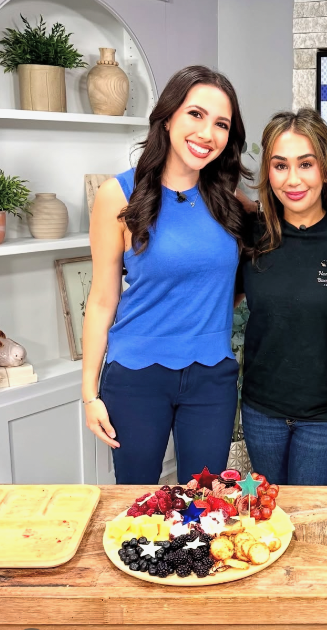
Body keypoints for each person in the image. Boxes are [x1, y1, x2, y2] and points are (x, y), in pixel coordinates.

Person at [82, 65, 251, 484]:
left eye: (221, 124)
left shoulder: (231, 201)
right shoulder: (117, 195)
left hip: (212, 375)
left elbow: (236, 281)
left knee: (206, 503)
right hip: (136, 374)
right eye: (196, 114)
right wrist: (89, 394)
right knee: (137, 502)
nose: (207, 133)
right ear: (168, 117)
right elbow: (102, 300)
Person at [237, 109, 327, 485]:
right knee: (269, 511)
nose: (292, 179)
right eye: (280, 165)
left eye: (305, 164)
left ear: (324, 169)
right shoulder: (251, 236)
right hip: (262, 411)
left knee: (308, 514)